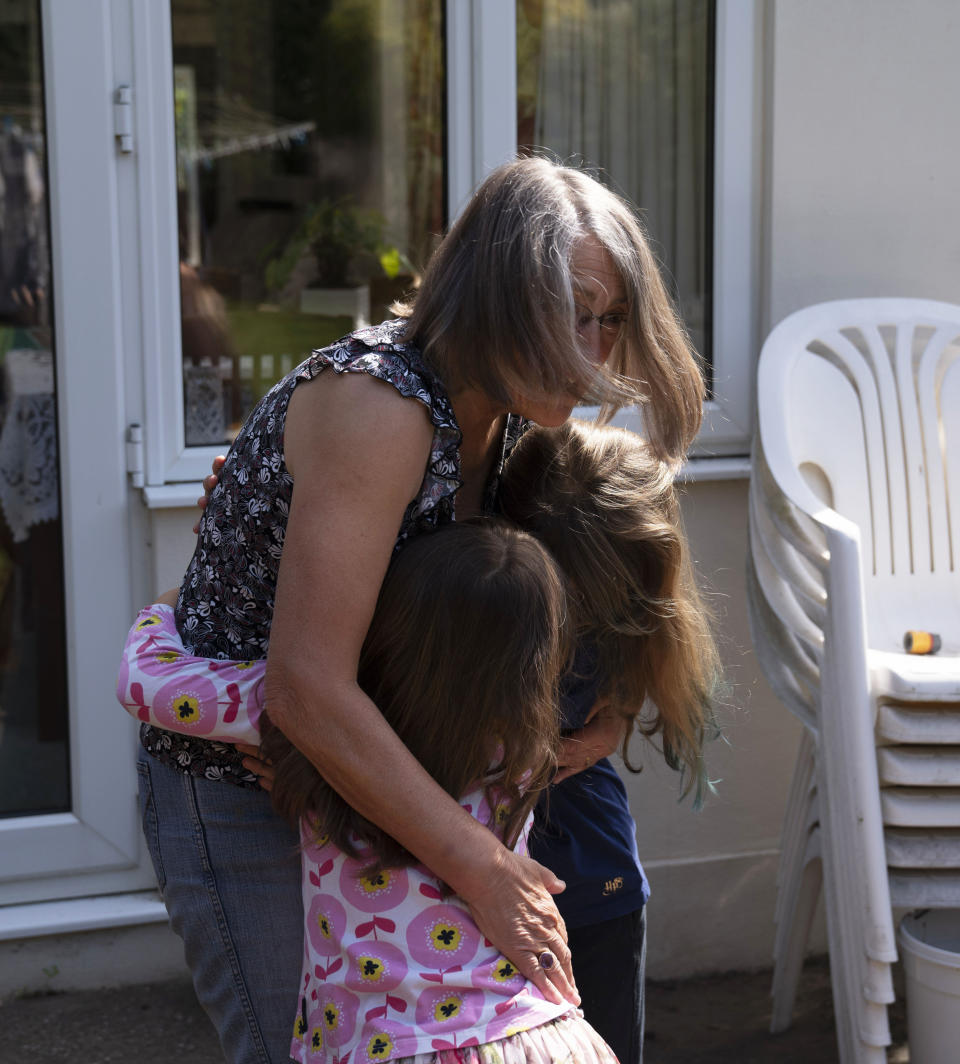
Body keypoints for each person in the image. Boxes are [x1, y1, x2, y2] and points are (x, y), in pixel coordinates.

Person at [134, 155, 706, 1064]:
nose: (594, 359)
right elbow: (308, 689)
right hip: (244, 783)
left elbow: (618, 572)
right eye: (573, 316)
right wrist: (485, 871)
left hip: (364, 781)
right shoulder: (382, 407)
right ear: (496, 294)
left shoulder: (514, 413)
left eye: (610, 323)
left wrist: (600, 725)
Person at [122, 521, 622, 1064]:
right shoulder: (522, 740)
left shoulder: (304, 710)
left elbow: (145, 683)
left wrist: (169, 606)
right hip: (541, 1036)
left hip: (398, 1046)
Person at [499, 420, 719, 1064]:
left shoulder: (630, 598)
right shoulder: (477, 602)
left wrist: (602, 732)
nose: (591, 628)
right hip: (485, 880)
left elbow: (634, 676)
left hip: (594, 878)